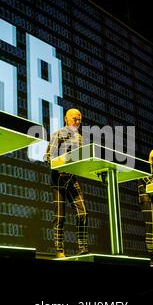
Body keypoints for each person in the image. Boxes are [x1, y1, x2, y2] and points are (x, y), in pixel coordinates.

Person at [44, 108, 89, 258]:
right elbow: (48, 156)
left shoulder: (81, 139)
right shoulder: (58, 134)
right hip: (58, 178)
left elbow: (84, 161)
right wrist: (64, 160)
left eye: (79, 120)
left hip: (72, 178)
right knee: (60, 217)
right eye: (74, 119)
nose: (77, 122)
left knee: (82, 212)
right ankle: (59, 250)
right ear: (66, 118)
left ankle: (82, 247)